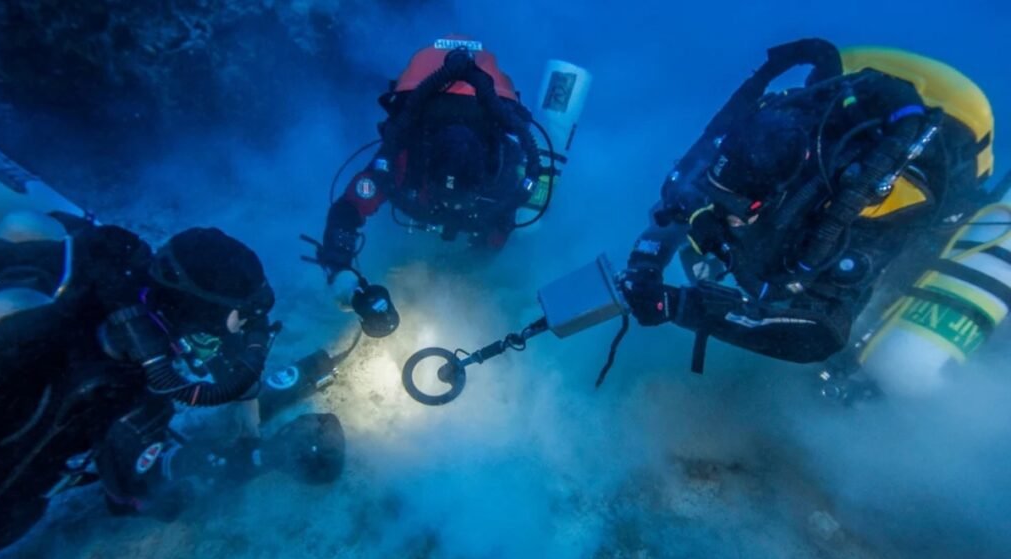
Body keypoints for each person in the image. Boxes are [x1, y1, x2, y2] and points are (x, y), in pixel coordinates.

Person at [0, 147, 343, 552]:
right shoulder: (125, 385)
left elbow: (212, 328)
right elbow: (144, 494)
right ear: (202, 316)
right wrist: (269, 456)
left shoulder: (112, 266)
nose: (248, 328)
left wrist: (246, 390)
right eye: (240, 317)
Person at [620, 39, 997, 373]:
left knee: (891, 288)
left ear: (773, 200)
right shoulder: (747, 149)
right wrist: (644, 266)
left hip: (950, 146)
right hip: (858, 85)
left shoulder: (857, 212)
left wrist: (679, 306)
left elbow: (820, 336)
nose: (724, 214)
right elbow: (675, 207)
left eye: (736, 209)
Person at [313, 35, 546, 337]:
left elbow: (497, 237)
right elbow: (350, 208)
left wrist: (449, 272)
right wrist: (344, 277)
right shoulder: (402, 159)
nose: (451, 203)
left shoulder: (503, 170)